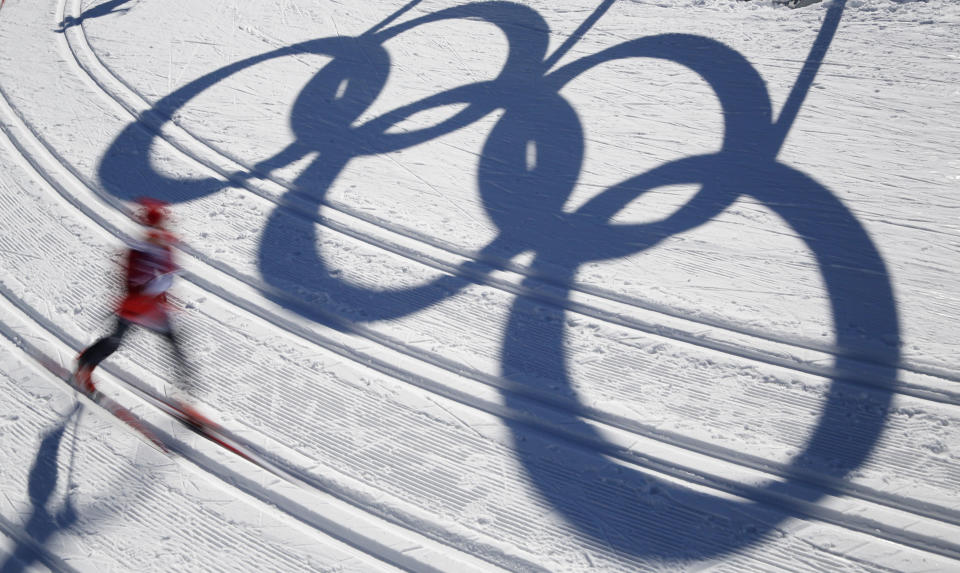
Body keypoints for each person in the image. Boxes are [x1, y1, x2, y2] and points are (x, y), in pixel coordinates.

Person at [73, 199, 190, 401]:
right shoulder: (137, 253)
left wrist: (163, 292)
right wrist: (155, 287)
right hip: (134, 308)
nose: (160, 233)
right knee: (114, 341)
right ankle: (85, 364)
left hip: (152, 310)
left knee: (174, 344)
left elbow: (167, 274)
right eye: (156, 229)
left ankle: (185, 395)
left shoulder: (165, 249)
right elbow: (132, 279)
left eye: (161, 228)